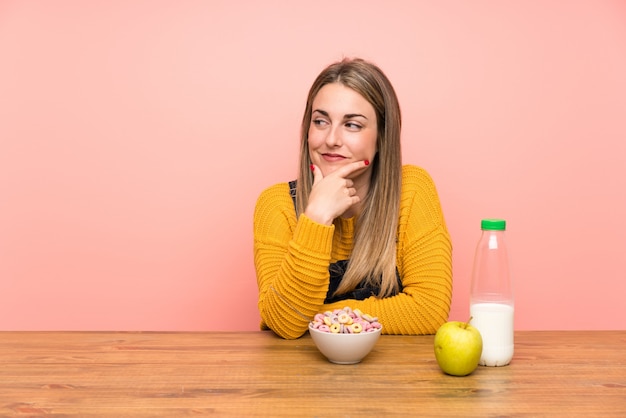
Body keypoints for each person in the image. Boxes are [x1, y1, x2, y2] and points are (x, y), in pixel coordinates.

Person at [253, 57, 452, 339]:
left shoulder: (413, 190)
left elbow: (428, 310)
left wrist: (317, 316)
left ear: (382, 137)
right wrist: (317, 218)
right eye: (320, 121)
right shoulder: (276, 205)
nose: (332, 139)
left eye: (353, 125)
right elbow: (284, 324)